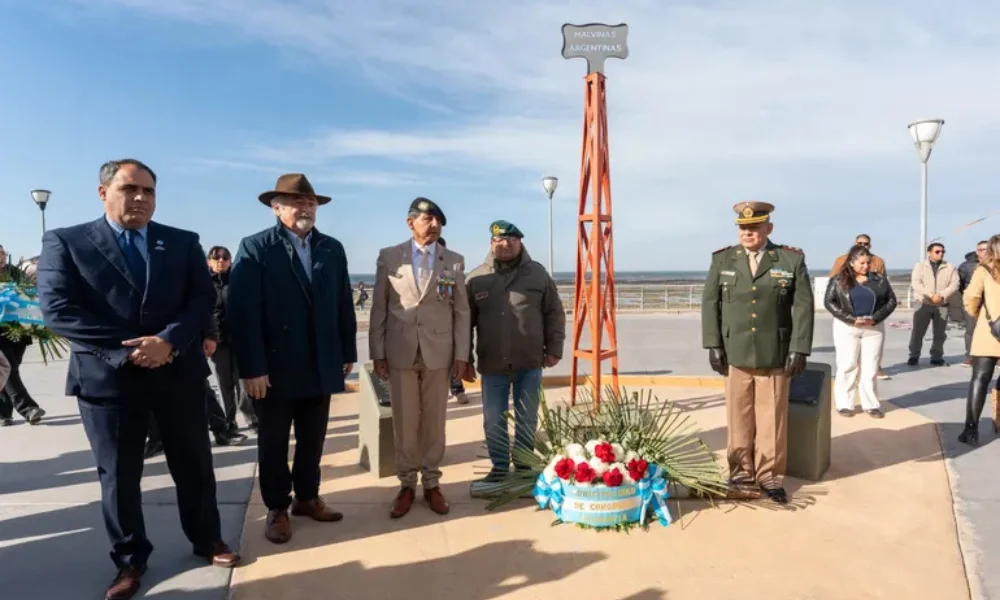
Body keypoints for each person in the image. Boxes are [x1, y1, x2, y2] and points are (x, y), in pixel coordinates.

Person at [35, 159, 239, 600]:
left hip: (177, 373)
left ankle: (208, 539)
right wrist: (130, 349)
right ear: (103, 192)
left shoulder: (182, 242)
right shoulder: (66, 242)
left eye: (148, 191)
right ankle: (129, 561)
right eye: (130, 189)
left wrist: (168, 342)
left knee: (195, 465)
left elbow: (201, 298)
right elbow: (59, 309)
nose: (141, 198)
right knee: (119, 476)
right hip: (108, 380)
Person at [228, 173, 357, 545]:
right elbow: (243, 312)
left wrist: (346, 351)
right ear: (276, 207)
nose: (306, 207)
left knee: (313, 438)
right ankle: (277, 507)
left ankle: (307, 497)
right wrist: (252, 367)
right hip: (273, 367)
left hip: (321, 361)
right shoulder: (256, 247)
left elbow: (342, 303)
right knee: (273, 442)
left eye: (310, 202)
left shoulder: (332, 248)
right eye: (296, 201)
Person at [701, 201, 814, 504]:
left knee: (771, 418)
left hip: (775, 352)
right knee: (738, 416)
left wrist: (799, 348)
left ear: (769, 228)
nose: (747, 233)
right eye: (743, 228)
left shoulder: (790, 260)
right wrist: (713, 344)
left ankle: (770, 476)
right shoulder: (723, 259)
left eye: (754, 227)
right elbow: (710, 304)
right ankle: (741, 473)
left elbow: (803, 307)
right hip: (734, 352)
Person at [369, 197, 471, 518]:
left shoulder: (453, 260)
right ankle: (406, 484)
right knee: (405, 421)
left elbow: (461, 311)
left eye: (438, 221)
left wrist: (462, 354)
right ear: (410, 222)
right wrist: (377, 353)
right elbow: (379, 308)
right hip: (400, 351)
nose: (434, 225)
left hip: (438, 353)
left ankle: (432, 483)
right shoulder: (389, 257)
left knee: (434, 422)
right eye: (427, 219)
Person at [464, 220, 565, 481]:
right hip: (492, 363)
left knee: (527, 418)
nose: (505, 244)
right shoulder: (476, 279)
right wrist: (465, 358)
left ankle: (522, 467)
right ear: (491, 243)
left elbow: (554, 313)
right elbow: (464, 323)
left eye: (511, 239)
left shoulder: (537, 274)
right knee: (493, 420)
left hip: (529, 361)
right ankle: (499, 468)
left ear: (520, 243)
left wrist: (554, 348)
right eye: (499, 239)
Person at [824, 244, 897, 418]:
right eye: (862, 263)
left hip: (873, 329)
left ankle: (871, 405)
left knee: (870, 367)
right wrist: (850, 319)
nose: (866, 266)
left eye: (868, 263)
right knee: (847, 365)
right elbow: (829, 302)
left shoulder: (879, 279)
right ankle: (845, 404)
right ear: (852, 262)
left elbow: (891, 301)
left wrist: (875, 318)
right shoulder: (838, 280)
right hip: (847, 328)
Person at [206, 245, 257, 432]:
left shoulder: (238, 281)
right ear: (209, 261)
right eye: (216, 258)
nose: (221, 261)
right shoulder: (203, 284)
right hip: (217, 342)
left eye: (225, 258)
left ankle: (251, 418)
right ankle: (229, 421)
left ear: (230, 261)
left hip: (239, 339)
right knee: (223, 383)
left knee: (243, 383)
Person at [828, 234, 890, 380]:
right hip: (848, 318)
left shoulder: (878, 261)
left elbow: (885, 291)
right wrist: (846, 316)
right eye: (860, 243)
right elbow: (832, 290)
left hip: (872, 320)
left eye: (866, 244)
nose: (863, 245)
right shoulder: (841, 260)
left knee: (871, 362)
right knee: (848, 363)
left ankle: (876, 373)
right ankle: (846, 394)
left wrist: (877, 316)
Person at [959, 234, 1000, 446]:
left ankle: (971, 430)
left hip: (989, 330)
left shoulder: (984, 270)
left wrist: (982, 317)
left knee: (980, 379)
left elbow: (970, 298)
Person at [0, 244, 46, 426]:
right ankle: (28, 409)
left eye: (3, 253)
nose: (2, 257)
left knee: (10, 368)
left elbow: (30, 292)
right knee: (8, 366)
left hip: (18, 328)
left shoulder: (15, 272)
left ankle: (4, 413)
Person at [908, 242, 959, 366]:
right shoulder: (920, 266)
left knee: (940, 333)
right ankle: (914, 355)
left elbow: (955, 284)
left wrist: (941, 295)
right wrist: (931, 295)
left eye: (942, 251)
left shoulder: (950, 267)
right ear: (929, 253)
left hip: (942, 305)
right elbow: (916, 284)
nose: (940, 254)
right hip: (924, 303)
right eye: (937, 251)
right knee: (918, 332)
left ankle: (937, 356)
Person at [438, 237, 469, 404]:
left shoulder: (448, 270)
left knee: (452, 359)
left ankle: (457, 389)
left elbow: (444, 296)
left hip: (447, 324)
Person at [958, 241, 988, 367]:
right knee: (971, 330)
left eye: (987, 249)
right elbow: (960, 285)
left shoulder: (996, 264)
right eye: (981, 249)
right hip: (973, 303)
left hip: (991, 303)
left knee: (995, 330)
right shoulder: (966, 266)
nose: (984, 252)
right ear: (977, 251)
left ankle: (996, 356)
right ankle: (970, 356)